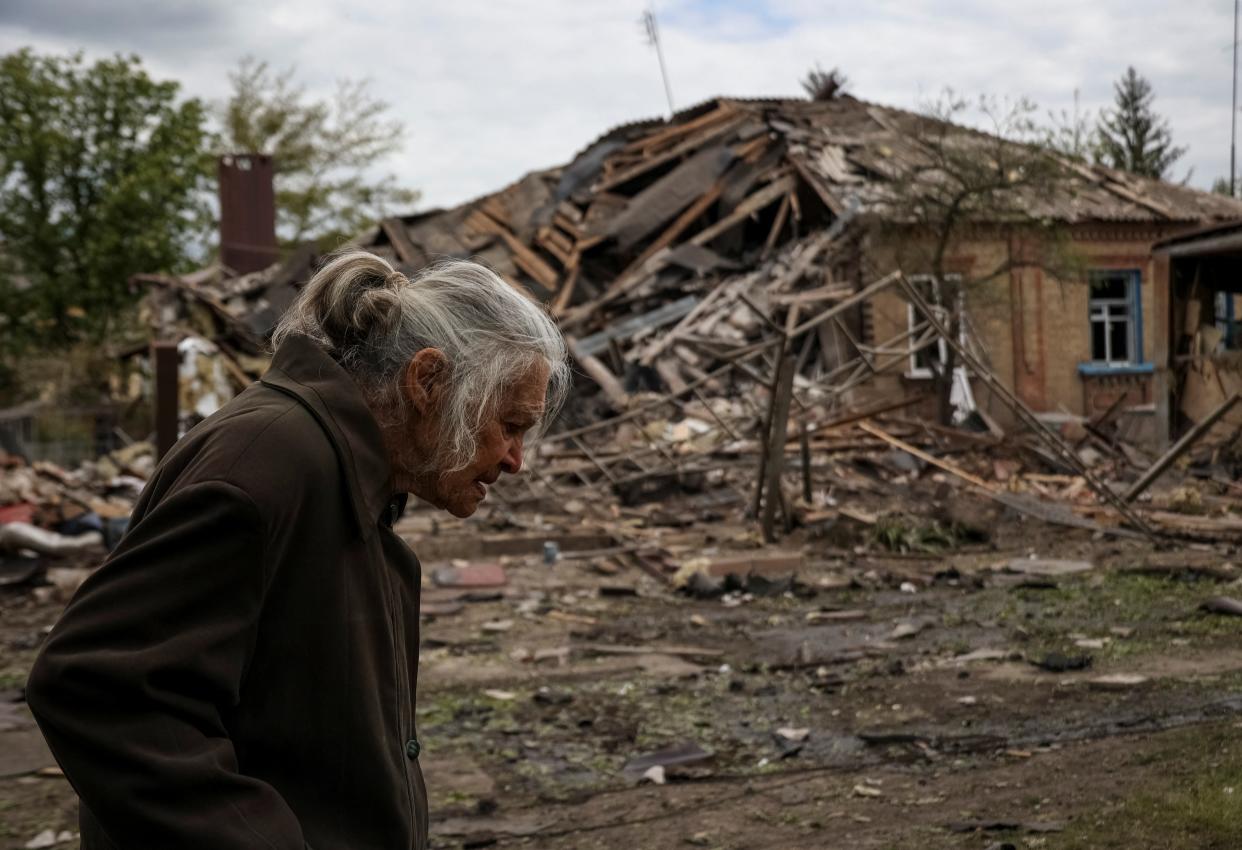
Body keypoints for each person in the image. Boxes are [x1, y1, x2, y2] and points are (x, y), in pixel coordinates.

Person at [25, 251, 570, 850]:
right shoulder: (270, 464)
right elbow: (100, 689)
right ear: (428, 381)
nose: (516, 459)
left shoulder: (336, 470)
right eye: (511, 425)